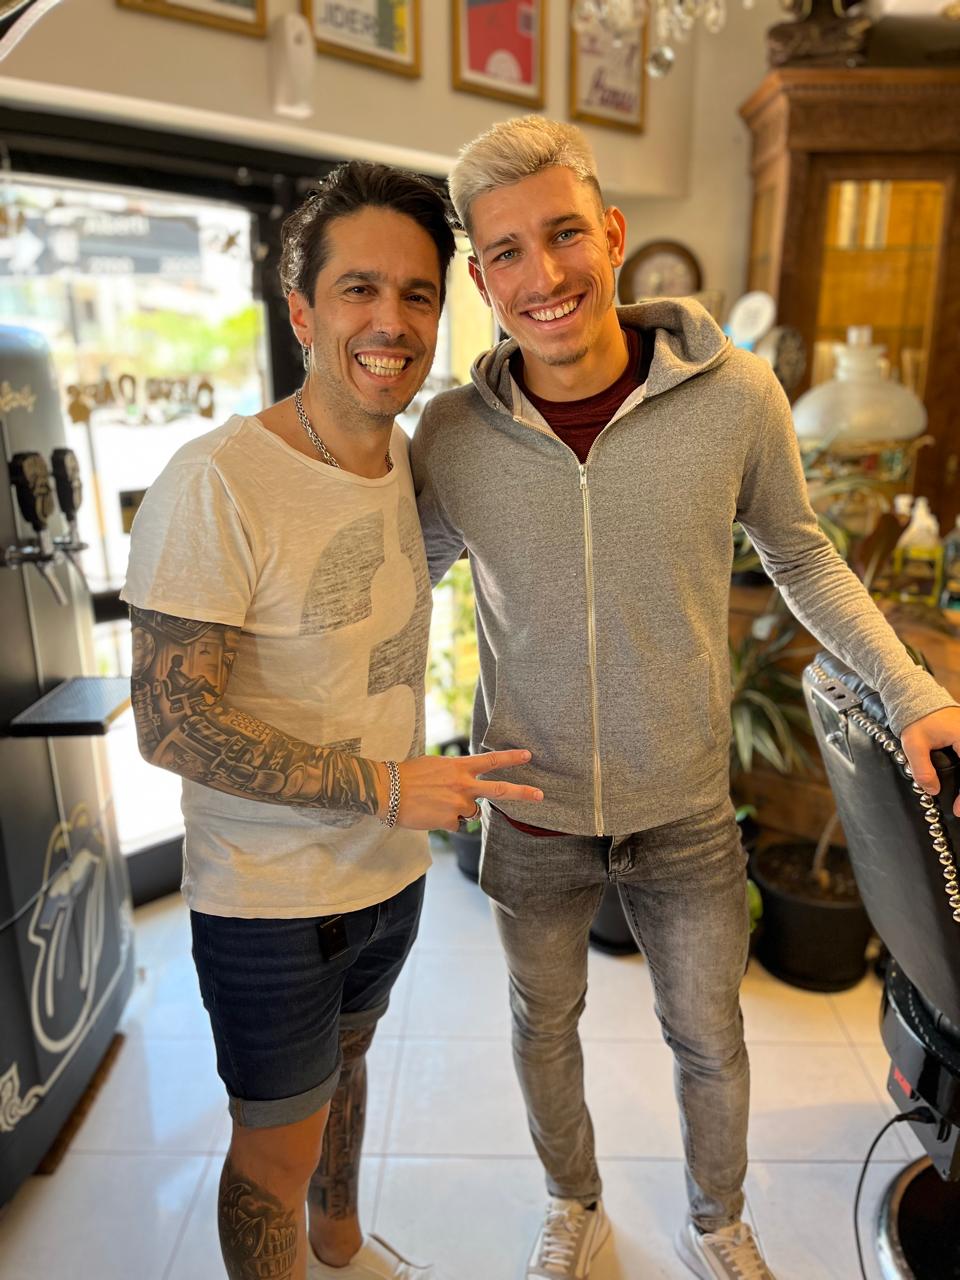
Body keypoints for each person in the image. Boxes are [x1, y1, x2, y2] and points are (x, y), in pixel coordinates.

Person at [411, 116, 960, 1280]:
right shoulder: (452, 434)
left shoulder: (735, 395)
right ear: (480, 278)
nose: (543, 273)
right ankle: (572, 1204)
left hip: (687, 809)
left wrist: (912, 691)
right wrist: (366, 756)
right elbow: (395, 586)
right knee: (541, 1027)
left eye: (565, 233)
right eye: (506, 250)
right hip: (531, 807)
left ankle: (718, 1221)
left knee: (711, 1038)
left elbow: (802, 556)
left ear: (612, 234)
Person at [121, 160, 543, 1280]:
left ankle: (343, 1246)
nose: (390, 320)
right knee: (273, 1146)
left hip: (385, 877)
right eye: (359, 288)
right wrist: (386, 788)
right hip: (270, 902)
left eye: (416, 293)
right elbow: (170, 722)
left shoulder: (402, 458)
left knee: (347, 1070)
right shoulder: (217, 482)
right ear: (302, 311)